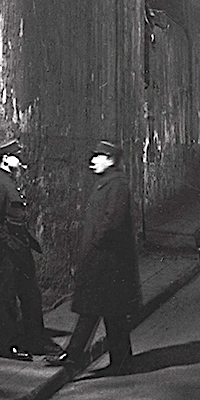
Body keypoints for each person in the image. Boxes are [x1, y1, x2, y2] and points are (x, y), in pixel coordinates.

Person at [45, 140, 141, 374]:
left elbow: (113, 223)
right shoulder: (108, 184)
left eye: (98, 157)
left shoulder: (116, 186)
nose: (92, 162)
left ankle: (73, 356)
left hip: (107, 261)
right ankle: (122, 360)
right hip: (108, 261)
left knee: (92, 310)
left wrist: (96, 245)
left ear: (110, 160)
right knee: (113, 313)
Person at [0, 131, 57, 361]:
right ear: (5, 158)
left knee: (30, 294)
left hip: (19, 248)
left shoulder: (8, 182)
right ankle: (7, 345)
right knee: (6, 296)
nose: (19, 159)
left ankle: (35, 340)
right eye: (15, 155)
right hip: (7, 252)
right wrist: (8, 245)